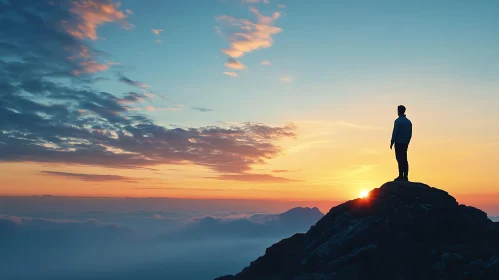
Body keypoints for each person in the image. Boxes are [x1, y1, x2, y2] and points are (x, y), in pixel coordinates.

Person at [390, 105, 412, 181]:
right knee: (404, 159)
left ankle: (401, 175)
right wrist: (407, 141)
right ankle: (405, 176)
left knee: (399, 159)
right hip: (405, 143)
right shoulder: (408, 122)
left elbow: (395, 132)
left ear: (398, 111)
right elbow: (410, 133)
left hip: (399, 142)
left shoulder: (398, 121)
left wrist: (392, 141)